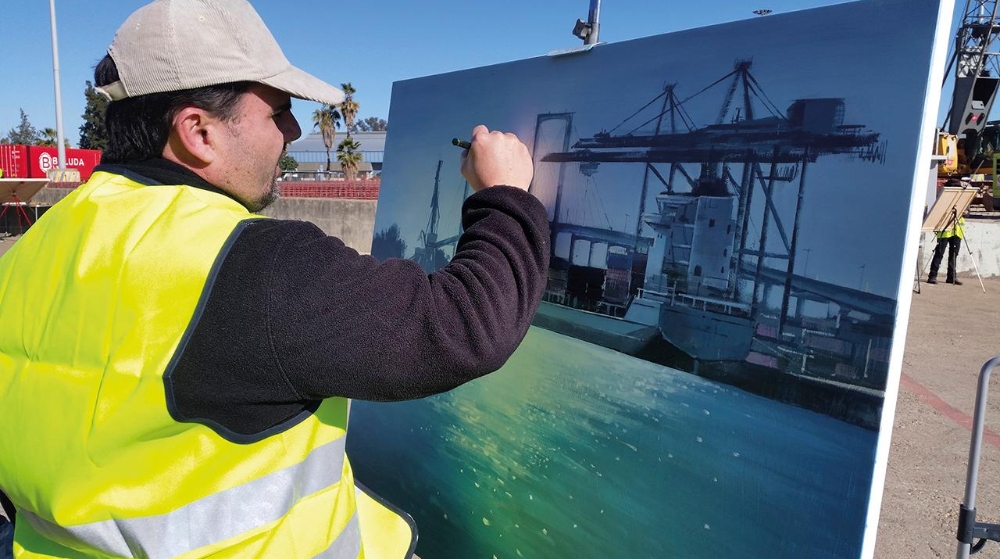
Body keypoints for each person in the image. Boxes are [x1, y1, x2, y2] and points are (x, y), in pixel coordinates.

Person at [0, 1, 549, 558]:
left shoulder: (34, 248)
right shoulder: (254, 263)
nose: (293, 129)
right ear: (198, 131)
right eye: (278, 112)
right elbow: (464, 325)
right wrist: (505, 197)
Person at [927, 207, 965, 285]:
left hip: (957, 230)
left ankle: (951, 277)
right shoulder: (947, 196)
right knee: (939, 253)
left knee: (954, 254)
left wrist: (965, 211)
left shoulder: (963, 196)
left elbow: (967, 211)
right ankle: (932, 276)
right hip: (945, 229)